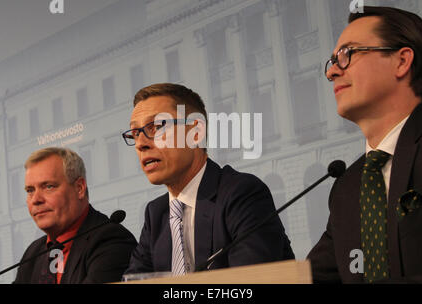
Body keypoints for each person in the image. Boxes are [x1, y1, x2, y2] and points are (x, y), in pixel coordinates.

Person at [308, 6, 422, 283]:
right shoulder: (347, 185)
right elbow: (315, 277)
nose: (332, 74)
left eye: (347, 54)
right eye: (332, 62)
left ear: (401, 61)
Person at [123, 83, 294, 275]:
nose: (141, 143)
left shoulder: (241, 195)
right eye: (135, 133)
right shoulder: (156, 214)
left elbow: (249, 284)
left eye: (156, 127)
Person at [14, 147, 137, 283]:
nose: (36, 199)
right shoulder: (33, 253)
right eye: (30, 190)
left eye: (48, 186)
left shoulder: (110, 240)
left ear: (79, 188)